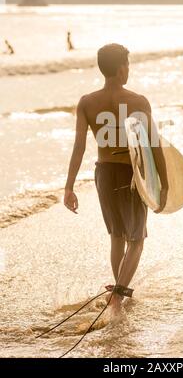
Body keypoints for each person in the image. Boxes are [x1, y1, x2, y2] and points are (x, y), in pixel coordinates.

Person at [64, 43, 168, 315]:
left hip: (104, 172)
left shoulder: (87, 102)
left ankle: (119, 292)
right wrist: (165, 183)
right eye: (128, 65)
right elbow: (153, 145)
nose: (128, 70)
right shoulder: (138, 101)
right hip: (130, 174)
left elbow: (79, 147)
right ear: (122, 67)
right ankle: (118, 297)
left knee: (117, 237)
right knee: (137, 239)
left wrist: (69, 187)